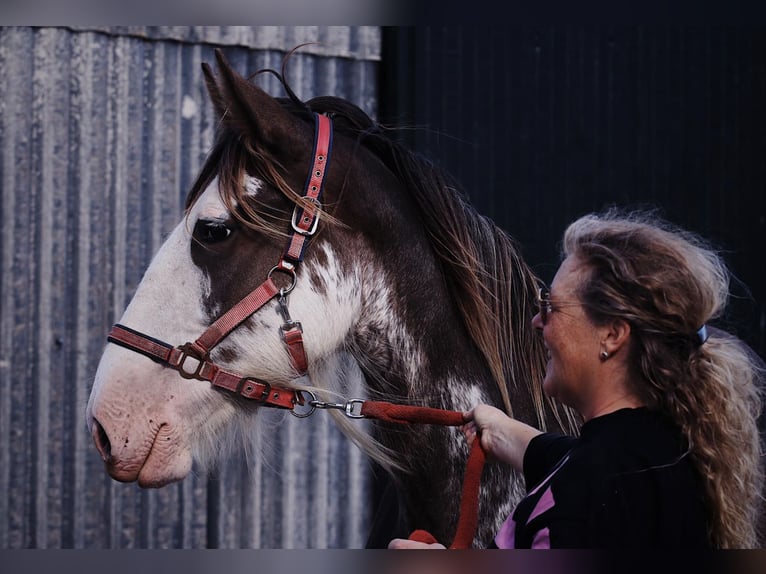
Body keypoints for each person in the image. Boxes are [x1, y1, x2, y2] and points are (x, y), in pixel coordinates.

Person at [389, 208, 764, 549]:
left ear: (612, 335)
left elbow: (579, 481)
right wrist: (500, 429)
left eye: (551, 307)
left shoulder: (579, 503)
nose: (538, 322)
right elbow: (564, 457)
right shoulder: (664, 449)